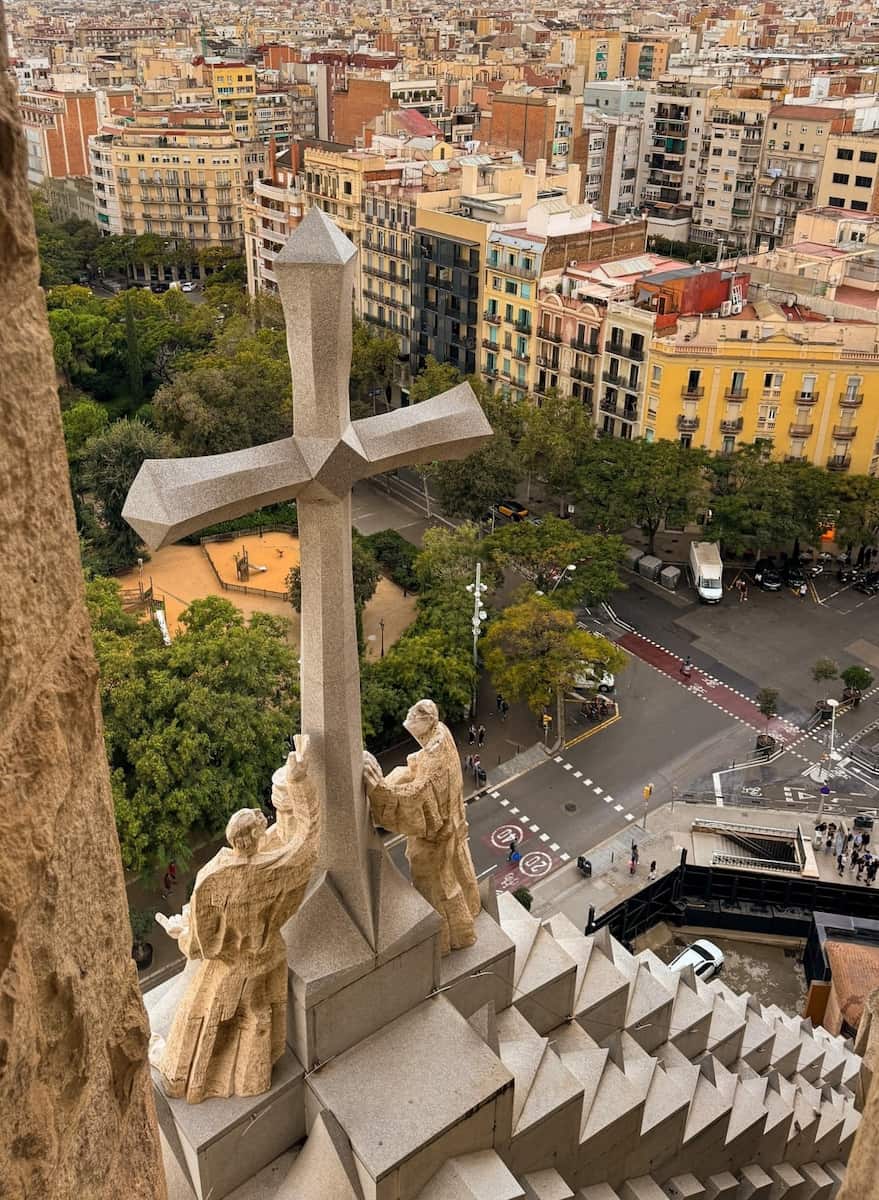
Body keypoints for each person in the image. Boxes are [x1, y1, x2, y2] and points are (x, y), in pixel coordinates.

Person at [363, 699, 481, 954]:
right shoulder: (440, 733)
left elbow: (419, 796)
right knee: (451, 877)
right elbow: (419, 765)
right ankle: (466, 917)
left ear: (426, 721)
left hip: (437, 840)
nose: (408, 721)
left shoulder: (435, 753)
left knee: (439, 887)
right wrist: (399, 777)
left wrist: (380, 790)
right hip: (452, 827)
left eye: (413, 719)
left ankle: (450, 938)